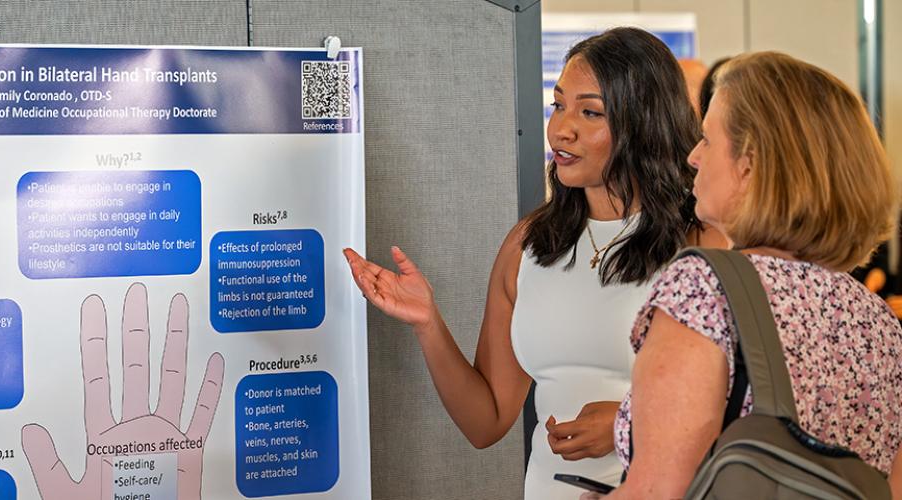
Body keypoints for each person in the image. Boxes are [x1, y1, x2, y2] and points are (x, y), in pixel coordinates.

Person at [343, 27, 723, 498]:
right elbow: (487, 421)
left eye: (590, 112)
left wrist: (634, 422)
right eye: (558, 105)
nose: (561, 128)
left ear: (643, 123)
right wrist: (428, 323)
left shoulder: (702, 245)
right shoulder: (530, 244)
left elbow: (755, 406)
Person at [602, 52, 902, 499]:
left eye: (707, 139)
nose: (694, 156)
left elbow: (658, 492)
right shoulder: (879, 324)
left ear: (749, 164)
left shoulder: (704, 289)